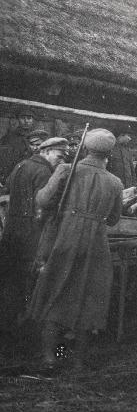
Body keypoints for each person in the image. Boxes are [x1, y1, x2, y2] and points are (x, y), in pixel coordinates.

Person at [26, 129, 123, 372]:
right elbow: (112, 219)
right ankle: (78, 360)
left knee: (55, 293)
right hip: (96, 245)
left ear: (86, 149)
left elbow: (43, 201)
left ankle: (51, 357)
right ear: (108, 154)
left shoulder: (66, 170)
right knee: (87, 301)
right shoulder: (115, 181)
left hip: (64, 239)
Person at [0, 137, 68, 333]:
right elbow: (43, 205)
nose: (61, 160)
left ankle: (9, 328)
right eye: (59, 155)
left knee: (11, 282)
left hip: (12, 233)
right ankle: (27, 329)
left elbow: (6, 194)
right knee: (30, 282)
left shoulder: (20, 165)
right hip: (33, 235)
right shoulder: (44, 171)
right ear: (46, 152)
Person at [0, 109, 36, 183]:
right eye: (23, 118)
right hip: (13, 175)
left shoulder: (37, 137)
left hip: (31, 175)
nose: (26, 121)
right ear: (18, 120)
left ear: (33, 120)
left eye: (29, 118)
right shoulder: (9, 138)